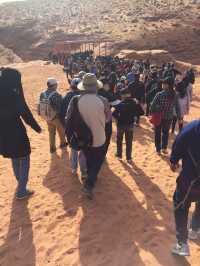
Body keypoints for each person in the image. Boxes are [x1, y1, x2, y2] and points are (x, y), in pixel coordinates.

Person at [66, 73, 111, 199]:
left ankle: (89, 177)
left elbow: (68, 118)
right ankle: (89, 183)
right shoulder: (103, 100)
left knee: (89, 157)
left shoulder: (75, 100)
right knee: (97, 161)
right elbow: (108, 119)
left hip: (83, 138)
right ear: (96, 87)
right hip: (99, 137)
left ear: (83, 87)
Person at [0, 68, 41, 199]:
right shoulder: (14, 91)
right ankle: (22, 190)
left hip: (3, 132)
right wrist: (36, 127)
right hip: (15, 130)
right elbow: (24, 111)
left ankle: (20, 185)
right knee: (24, 157)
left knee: (14, 157)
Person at [170, 120, 200, 256]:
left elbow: (177, 149)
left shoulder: (191, 129)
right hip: (192, 182)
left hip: (190, 182)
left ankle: (182, 243)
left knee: (180, 206)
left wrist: (174, 162)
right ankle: (195, 229)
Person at [61, 78, 87, 179]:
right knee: (83, 150)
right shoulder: (84, 97)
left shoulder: (68, 96)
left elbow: (64, 113)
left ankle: (73, 168)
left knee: (73, 149)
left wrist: (66, 127)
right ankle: (83, 171)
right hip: (84, 128)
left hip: (71, 127)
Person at [112, 87, 144, 163]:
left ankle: (119, 154)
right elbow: (142, 112)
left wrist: (118, 118)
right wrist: (137, 106)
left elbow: (114, 113)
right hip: (130, 124)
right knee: (129, 141)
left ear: (122, 95)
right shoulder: (134, 102)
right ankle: (128, 157)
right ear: (129, 94)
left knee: (119, 140)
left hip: (120, 124)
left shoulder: (120, 103)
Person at [150, 76, 180, 155]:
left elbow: (152, 106)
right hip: (169, 117)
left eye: (164, 83)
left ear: (167, 85)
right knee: (165, 132)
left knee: (157, 132)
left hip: (158, 117)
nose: (162, 85)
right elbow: (177, 107)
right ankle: (164, 148)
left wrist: (157, 109)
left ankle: (158, 149)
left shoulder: (159, 94)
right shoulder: (175, 95)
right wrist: (180, 117)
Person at [39, 78, 67, 153]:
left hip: (47, 117)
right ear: (53, 85)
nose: (57, 85)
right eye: (56, 84)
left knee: (51, 133)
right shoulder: (55, 94)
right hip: (55, 117)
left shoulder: (42, 93)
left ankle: (52, 148)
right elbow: (60, 106)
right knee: (61, 131)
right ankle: (63, 143)